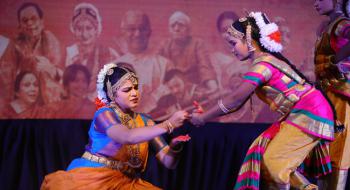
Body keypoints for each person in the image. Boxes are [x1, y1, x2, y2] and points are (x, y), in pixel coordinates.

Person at [191, 12, 335, 189]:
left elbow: (235, 99)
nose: (232, 49)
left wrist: (203, 118)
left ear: (249, 40)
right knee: (271, 165)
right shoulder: (265, 62)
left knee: (273, 164)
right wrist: (205, 113)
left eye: (233, 43)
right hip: (303, 113)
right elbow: (237, 103)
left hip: (309, 112)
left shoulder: (263, 65)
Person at [41, 62, 190, 189]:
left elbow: (169, 162)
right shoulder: (104, 114)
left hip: (127, 182)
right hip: (94, 179)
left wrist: (175, 146)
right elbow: (127, 136)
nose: (134, 93)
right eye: (127, 89)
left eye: (135, 87)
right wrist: (168, 124)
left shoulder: (146, 122)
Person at [314, 0, 350, 189]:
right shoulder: (327, 26)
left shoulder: (342, 24)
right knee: (325, 150)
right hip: (327, 95)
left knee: (339, 149)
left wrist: (336, 59)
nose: (315, 3)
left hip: (341, 96)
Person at [116, 10, 173, 113]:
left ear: (149, 32)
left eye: (142, 29)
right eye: (131, 29)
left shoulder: (164, 65)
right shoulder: (112, 66)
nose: (137, 34)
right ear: (123, 32)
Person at [66, 2, 120, 101]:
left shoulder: (110, 55)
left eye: (89, 28)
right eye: (79, 29)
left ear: (96, 29)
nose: (84, 34)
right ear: (73, 30)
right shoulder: (68, 54)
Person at [158, 11, 218, 96]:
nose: (176, 29)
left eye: (181, 25)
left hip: (195, 90)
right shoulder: (164, 46)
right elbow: (157, 71)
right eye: (173, 26)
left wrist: (213, 86)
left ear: (188, 29)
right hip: (172, 91)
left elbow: (204, 66)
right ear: (169, 29)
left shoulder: (197, 44)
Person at [14, 2, 64, 104]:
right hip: (26, 101)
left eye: (34, 19)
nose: (29, 23)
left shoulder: (51, 40)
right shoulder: (15, 46)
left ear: (41, 21)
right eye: (25, 20)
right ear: (20, 25)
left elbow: (64, 76)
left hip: (51, 100)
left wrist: (51, 69)